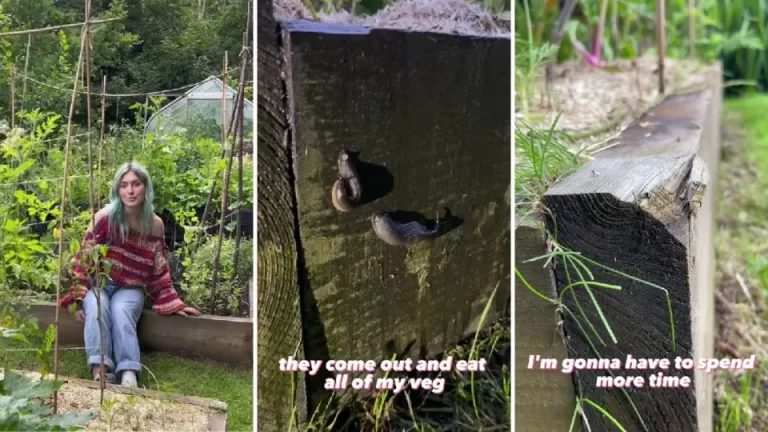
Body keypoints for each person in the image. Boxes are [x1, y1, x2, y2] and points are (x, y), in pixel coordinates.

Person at [59, 161, 201, 387]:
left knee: (121, 310)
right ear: (117, 189)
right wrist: (76, 299)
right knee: (97, 308)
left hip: (130, 288)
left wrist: (172, 302)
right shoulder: (104, 217)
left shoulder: (155, 225)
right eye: (124, 185)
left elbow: (159, 268)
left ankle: (128, 371)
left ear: (146, 187)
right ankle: (100, 369)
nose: (130, 191)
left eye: (136, 184)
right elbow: (84, 259)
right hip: (99, 284)